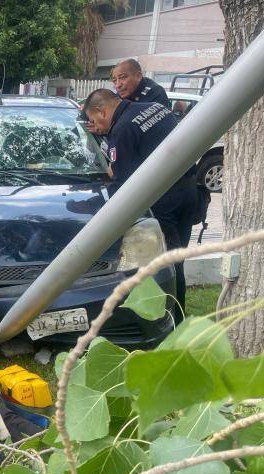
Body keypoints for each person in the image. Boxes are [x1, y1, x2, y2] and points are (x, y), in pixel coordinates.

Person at [84, 88, 196, 323]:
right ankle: (178, 315)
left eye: (94, 120)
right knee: (177, 260)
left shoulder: (122, 129)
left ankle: (171, 321)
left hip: (164, 201)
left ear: (101, 111)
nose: (96, 125)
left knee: (167, 266)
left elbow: (123, 184)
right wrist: (104, 135)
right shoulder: (154, 108)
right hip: (189, 190)